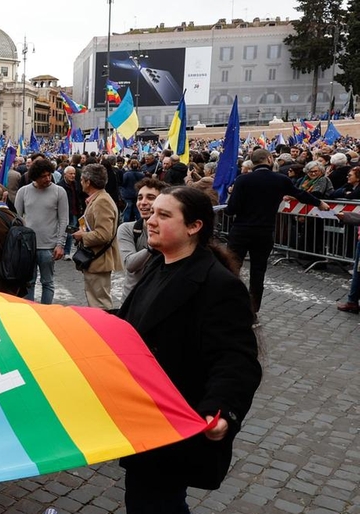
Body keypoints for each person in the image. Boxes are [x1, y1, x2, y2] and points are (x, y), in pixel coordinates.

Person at [116, 186, 262, 513]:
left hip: (176, 424)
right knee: (142, 498)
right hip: (144, 416)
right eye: (152, 212)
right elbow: (129, 322)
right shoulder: (158, 264)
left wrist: (220, 409)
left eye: (163, 215)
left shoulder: (218, 285)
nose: (151, 220)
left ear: (193, 226)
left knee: (156, 503)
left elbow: (237, 360)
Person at [225, 148, 331, 314]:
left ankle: (228, 306)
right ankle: (253, 310)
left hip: (241, 230)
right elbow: (300, 194)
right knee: (258, 272)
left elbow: (231, 209)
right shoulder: (280, 180)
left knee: (232, 269)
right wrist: (319, 203)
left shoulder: (242, 180)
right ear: (269, 159)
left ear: (252, 161)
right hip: (264, 232)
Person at [14, 159, 67, 304]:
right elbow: (16, 219)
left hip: (48, 247)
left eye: (49, 175)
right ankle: (31, 313)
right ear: (35, 176)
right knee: (28, 283)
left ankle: (46, 312)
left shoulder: (59, 192)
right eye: (43, 176)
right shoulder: (23, 192)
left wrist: (60, 244)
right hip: (28, 247)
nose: (48, 179)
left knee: (47, 282)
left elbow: (63, 220)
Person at [72, 164, 122, 309]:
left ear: (88, 182)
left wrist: (83, 235)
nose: (80, 183)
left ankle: (103, 330)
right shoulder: (98, 199)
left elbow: (104, 234)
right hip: (96, 260)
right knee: (95, 299)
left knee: (99, 303)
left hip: (100, 259)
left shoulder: (102, 201)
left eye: (81, 180)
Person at [117, 178, 165, 296]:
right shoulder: (127, 229)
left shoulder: (170, 232)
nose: (143, 202)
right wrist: (151, 246)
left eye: (150, 197)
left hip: (158, 298)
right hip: (131, 299)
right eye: (140, 198)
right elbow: (130, 264)